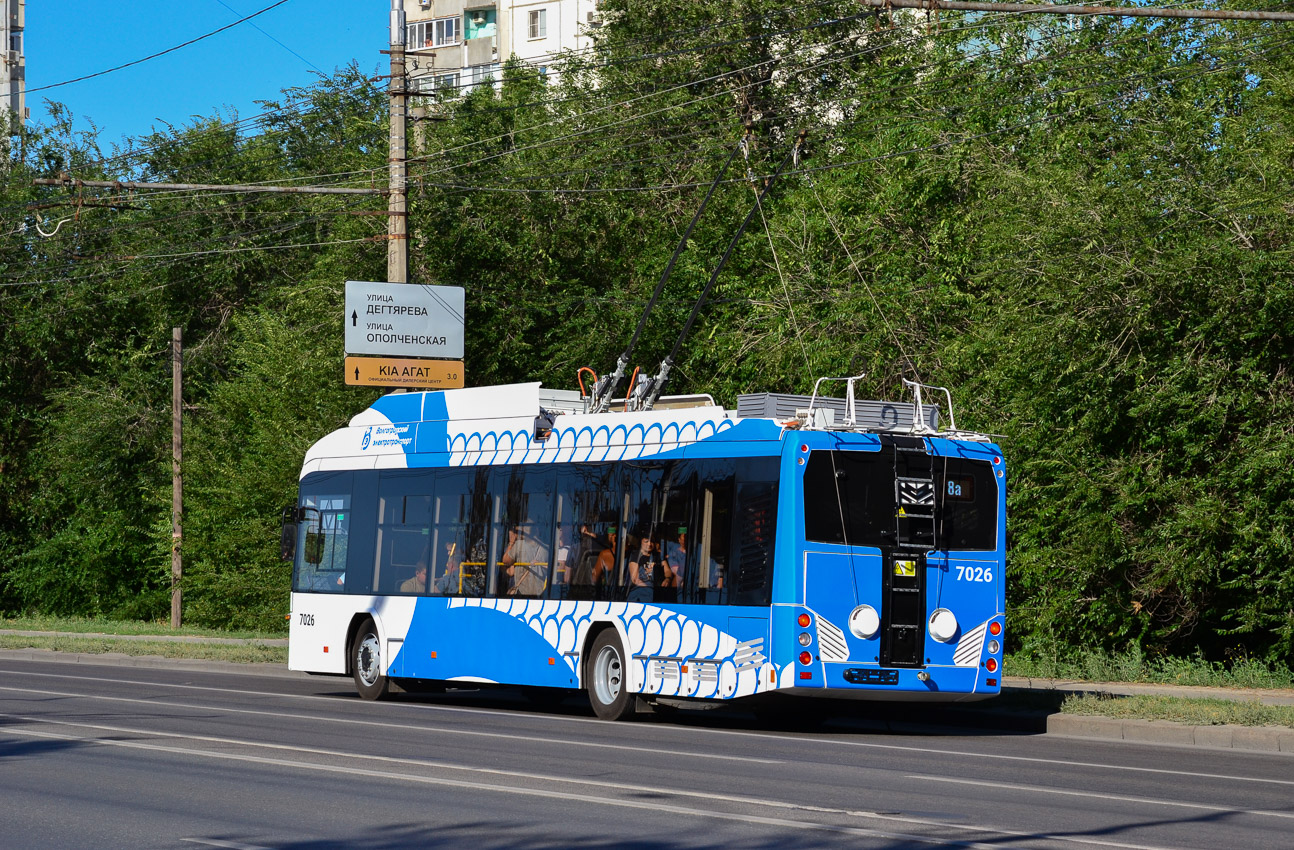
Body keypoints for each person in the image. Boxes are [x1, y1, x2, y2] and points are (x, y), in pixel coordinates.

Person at [502, 524, 549, 596]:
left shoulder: (519, 545)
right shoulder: (546, 548)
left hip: (522, 592)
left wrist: (511, 543)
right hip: (540, 593)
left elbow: (506, 561)